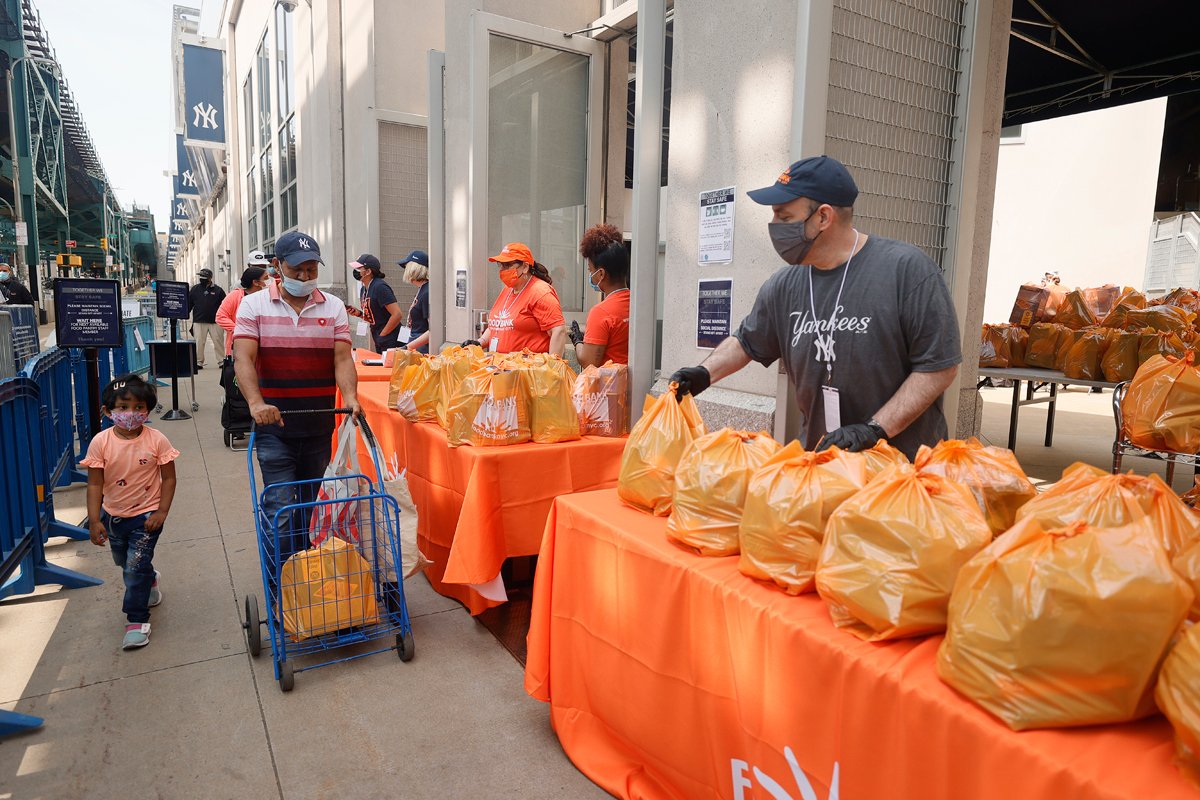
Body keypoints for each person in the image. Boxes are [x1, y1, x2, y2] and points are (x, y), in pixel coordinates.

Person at [669, 155, 962, 459]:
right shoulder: (784, 286)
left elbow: (939, 367)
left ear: (823, 217)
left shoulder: (907, 271)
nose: (774, 227)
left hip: (902, 476)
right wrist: (704, 373)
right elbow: (746, 342)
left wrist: (875, 429)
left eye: (784, 218)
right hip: (822, 469)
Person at [233, 231, 360, 576]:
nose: (304, 277)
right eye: (297, 269)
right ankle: (283, 590)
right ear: (277, 266)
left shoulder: (332, 307)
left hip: (319, 425)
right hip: (274, 426)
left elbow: (342, 359)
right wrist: (256, 403)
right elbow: (242, 358)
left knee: (312, 508)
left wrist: (351, 399)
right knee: (282, 509)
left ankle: (311, 583)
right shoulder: (253, 305)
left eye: (311, 270)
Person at [82, 374, 180, 650]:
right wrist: (94, 519)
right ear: (107, 411)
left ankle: (136, 621)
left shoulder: (157, 440)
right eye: (123, 407)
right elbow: (94, 483)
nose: (131, 414)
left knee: (134, 569)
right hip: (113, 516)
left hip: (147, 518)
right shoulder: (100, 443)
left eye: (139, 408)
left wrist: (161, 512)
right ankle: (149, 580)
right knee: (125, 563)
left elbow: (169, 478)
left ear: (147, 410)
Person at [471, 242, 567, 356]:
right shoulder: (508, 290)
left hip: (528, 371)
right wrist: (479, 343)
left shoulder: (540, 292)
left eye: (507, 265)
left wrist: (552, 368)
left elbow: (558, 331)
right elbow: (496, 326)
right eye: (500, 264)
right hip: (501, 368)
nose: (502, 269)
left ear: (525, 267)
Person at [571, 224, 630, 367]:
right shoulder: (638, 304)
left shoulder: (601, 312)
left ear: (601, 274)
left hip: (609, 387)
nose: (591, 275)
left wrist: (578, 341)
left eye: (591, 270)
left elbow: (589, 362)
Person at [347, 254, 404, 353]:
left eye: (359, 268)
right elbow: (373, 317)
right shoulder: (364, 288)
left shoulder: (380, 287)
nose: (355, 271)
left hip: (391, 340)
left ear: (368, 271)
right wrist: (359, 314)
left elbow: (397, 314)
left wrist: (383, 334)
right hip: (379, 338)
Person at [216, 265, 270, 359]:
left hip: (264, 346)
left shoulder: (268, 296)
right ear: (255, 282)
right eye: (266, 278)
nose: (269, 281)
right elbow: (220, 317)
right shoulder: (235, 296)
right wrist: (241, 330)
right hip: (240, 345)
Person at [189, 268, 226, 369]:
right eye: (201, 277)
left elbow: (225, 305)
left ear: (210, 278)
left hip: (215, 321)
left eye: (204, 277)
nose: (202, 279)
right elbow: (189, 304)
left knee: (218, 341)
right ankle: (198, 362)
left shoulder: (218, 290)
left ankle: (222, 361)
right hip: (199, 320)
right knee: (199, 342)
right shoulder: (194, 289)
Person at [398, 249, 431, 353]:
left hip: (421, 348)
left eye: (406, 267)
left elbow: (433, 329)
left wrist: (407, 347)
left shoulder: (427, 292)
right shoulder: (423, 290)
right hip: (416, 344)